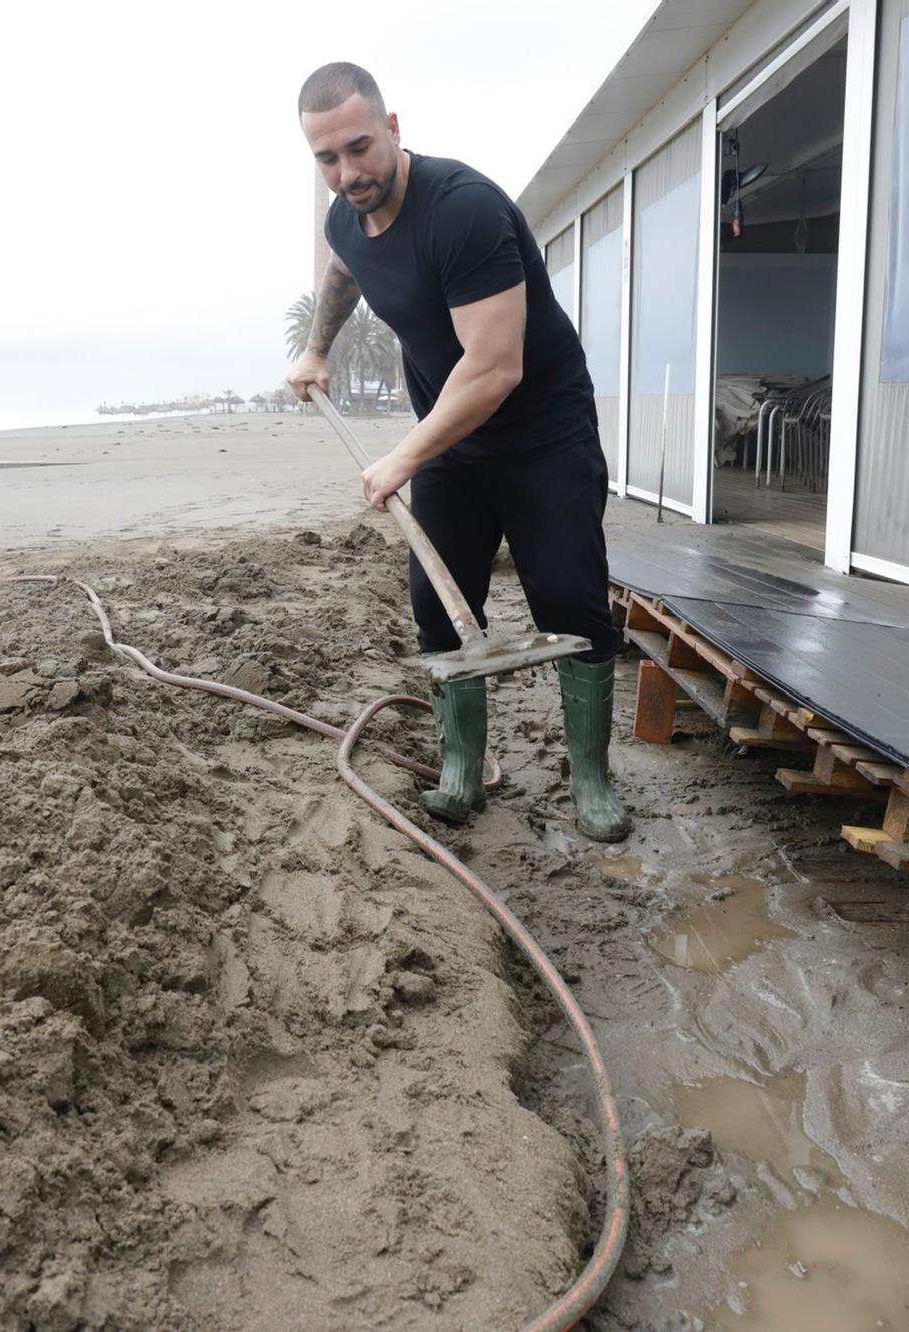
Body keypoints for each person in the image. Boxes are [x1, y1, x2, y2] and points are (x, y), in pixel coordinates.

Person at [287, 61, 630, 843]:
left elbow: (495, 368)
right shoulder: (346, 216)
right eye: (327, 158)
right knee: (438, 602)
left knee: (571, 601)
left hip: (542, 435)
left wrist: (404, 455)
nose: (348, 172)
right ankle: (460, 765)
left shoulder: (461, 211)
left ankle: (591, 776)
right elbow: (346, 273)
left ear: (395, 128)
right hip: (453, 436)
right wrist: (316, 350)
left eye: (360, 148)